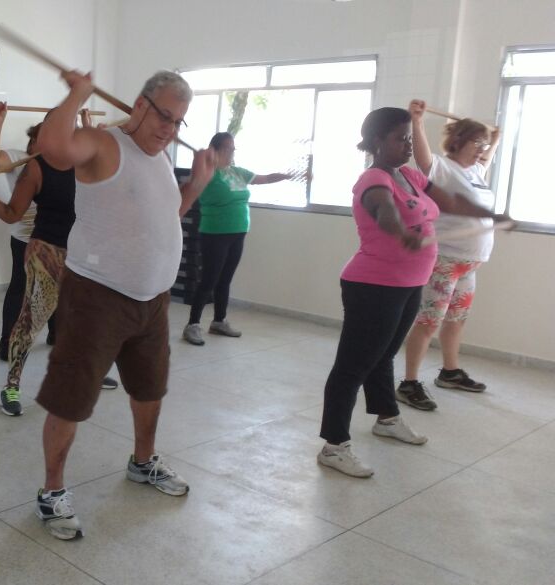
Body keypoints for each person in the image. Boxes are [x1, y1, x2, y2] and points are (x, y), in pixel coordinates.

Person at [24, 70, 215, 540]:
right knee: (72, 396)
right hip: (98, 295)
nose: (169, 129)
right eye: (164, 116)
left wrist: (196, 187)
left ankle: (143, 462)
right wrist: (77, 95)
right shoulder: (104, 143)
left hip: (152, 298)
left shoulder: (161, 159)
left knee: (149, 388)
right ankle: (52, 491)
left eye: (179, 122)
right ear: (140, 103)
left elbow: (162, 219)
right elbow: (52, 149)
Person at [317, 107, 509, 479]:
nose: (408, 145)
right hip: (372, 285)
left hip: (408, 283)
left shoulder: (407, 174)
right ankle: (333, 445)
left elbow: (451, 201)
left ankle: (387, 418)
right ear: (377, 142)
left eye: (409, 137)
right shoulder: (373, 179)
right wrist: (400, 234)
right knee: (353, 365)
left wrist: (488, 214)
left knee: (385, 354)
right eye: (400, 138)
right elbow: (384, 211)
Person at [0, 111, 119, 417]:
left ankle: (85, 373)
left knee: (87, 318)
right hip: (46, 250)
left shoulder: (86, 164)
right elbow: (12, 214)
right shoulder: (36, 168)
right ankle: (11, 385)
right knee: (32, 318)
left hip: (82, 253)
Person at [397, 99, 503, 410]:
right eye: (477, 141)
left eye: (484, 143)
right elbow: (422, 156)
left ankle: (450, 372)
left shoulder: (477, 172)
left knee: (457, 319)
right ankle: (409, 382)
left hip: (469, 266)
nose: (482, 148)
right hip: (444, 262)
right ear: (458, 142)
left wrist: (493, 140)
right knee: (428, 321)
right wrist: (416, 122)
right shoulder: (442, 168)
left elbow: (489, 153)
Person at [182, 132, 302, 343]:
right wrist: (204, 160)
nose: (231, 152)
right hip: (214, 232)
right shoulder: (209, 173)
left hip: (237, 232)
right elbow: (194, 182)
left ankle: (219, 321)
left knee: (225, 279)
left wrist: (285, 175)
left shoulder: (237, 172)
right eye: (227, 148)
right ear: (216, 150)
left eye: (233, 148)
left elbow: (263, 179)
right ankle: (192, 324)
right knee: (209, 279)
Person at [0, 101, 50, 360]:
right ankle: (7, 343)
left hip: (56, 236)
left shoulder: (60, 163)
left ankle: (57, 333)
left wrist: (87, 128)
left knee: (60, 288)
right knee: (21, 289)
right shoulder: (19, 158)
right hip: (25, 236)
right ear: (33, 140)